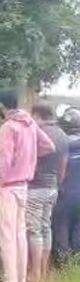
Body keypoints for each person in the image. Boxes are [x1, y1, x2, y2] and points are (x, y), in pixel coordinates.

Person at [0, 90, 55, 282]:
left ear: (2, 106)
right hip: (24, 185)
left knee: (7, 235)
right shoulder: (30, 123)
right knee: (19, 233)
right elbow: (49, 146)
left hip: (8, 187)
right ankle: (20, 281)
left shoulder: (8, 127)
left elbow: (4, 161)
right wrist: (30, 159)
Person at [26, 103, 68, 282]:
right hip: (52, 188)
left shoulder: (38, 133)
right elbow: (63, 166)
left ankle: (35, 274)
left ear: (37, 115)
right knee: (45, 227)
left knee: (34, 230)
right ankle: (43, 270)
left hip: (36, 187)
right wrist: (58, 185)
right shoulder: (63, 135)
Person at [53, 108, 80, 262]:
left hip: (65, 193)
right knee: (78, 226)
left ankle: (63, 262)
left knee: (61, 224)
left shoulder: (63, 143)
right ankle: (76, 260)